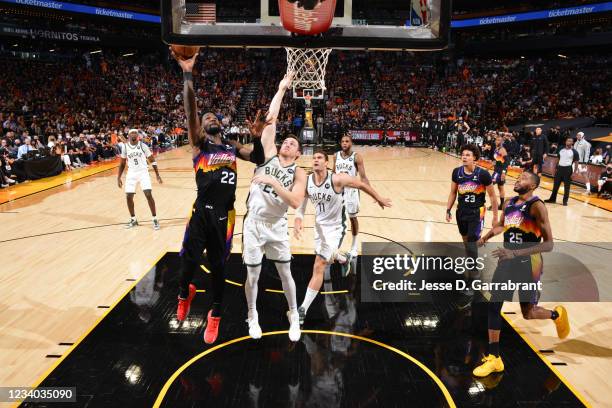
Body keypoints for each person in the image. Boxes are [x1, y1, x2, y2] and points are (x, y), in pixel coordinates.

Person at [171, 48, 267, 345]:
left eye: (213, 116)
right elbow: (190, 110)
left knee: (219, 268)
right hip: (201, 210)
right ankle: (184, 292)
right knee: (187, 261)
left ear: (220, 124)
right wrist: (188, 72)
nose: (209, 118)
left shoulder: (231, 147)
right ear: (201, 126)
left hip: (225, 214)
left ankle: (214, 315)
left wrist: (259, 135)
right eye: (205, 116)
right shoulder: (199, 144)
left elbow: (259, 158)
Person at [473, 171, 569, 377]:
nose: (518, 179)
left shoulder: (537, 206)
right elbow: (501, 226)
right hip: (507, 262)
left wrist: (515, 252)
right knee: (493, 305)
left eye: (524, 178)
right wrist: (486, 237)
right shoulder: (509, 202)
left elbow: (549, 244)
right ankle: (495, 358)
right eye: (518, 178)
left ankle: (556, 315)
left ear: (533, 186)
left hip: (529, 264)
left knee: (529, 313)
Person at [239, 73, 305, 342]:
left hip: (276, 226)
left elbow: (296, 201)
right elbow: (271, 118)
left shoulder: (300, 172)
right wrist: (281, 88)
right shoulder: (267, 155)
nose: (287, 142)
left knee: (284, 272)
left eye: (293, 143)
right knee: (252, 274)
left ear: (299, 153)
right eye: (286, 141)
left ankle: (293, 314)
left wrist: (273, 182)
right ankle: (252, 315)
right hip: (254, 223)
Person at [294, 149, 392, 324]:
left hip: (336, 228)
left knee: (320, 264)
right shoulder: (308, 181)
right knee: (328, 259)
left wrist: (378, 198)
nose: (315, 160)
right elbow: (302, 202)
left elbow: (361, 184)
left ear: (326, 163)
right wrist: (298, 219)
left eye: (319, 158)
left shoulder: (337, 179)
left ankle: (302, 309)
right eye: (314, 158)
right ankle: (344, 258)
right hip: (320, 229)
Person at [446, 144, 498, 307]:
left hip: (477, 213)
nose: (464, 157)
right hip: (461, 212)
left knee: (471, 247)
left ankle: (472, 280)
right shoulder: (457, 172)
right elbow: (453, 192)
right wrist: (448, 209)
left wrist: (495, 218)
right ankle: (473, 267)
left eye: (468, 154)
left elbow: (493, 197)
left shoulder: (483, 174)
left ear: (475, 157)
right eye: (463, 154)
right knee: (467, 244)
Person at [332, 134, 369, 259]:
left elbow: (363, 177)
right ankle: (334, 247)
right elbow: (333, 173)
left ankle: (353, 247)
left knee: (352, 218)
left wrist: (373, 194)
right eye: (342, 141)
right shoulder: (335, 156)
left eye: (347, 141)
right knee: (336, 220)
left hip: (352, 191)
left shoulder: (356, 157)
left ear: (351, 143)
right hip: (338, 191)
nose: (344, 143)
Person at [117, 129, 163, 229]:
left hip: (143, 172)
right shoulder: (125, 147)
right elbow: (122, 163)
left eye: (135, 133)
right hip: (131, 173)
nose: (134, 134)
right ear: (128, 136)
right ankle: (133, 220)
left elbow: (152, 160)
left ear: (138, 135)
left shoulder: (143, 146)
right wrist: (118, 177)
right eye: (132, 133)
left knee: (148, 194)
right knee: (129, 196)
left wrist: (157, 175)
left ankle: (155, 219)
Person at [545, 137, 579, 206]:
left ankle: (565, 201)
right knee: (555, 186)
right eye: (567, 140)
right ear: (565, 142)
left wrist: (574, 173)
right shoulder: (561, 149)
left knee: (567, 187)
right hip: (559, 169)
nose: (568, 142)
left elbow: (576, 163)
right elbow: (557, 159)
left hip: (568, 169)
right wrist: (555, 168)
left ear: (572, 143)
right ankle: (552, 199)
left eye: (570, 141)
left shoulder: (575, 152)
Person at [490, 135, 508, 210]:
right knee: (500, 187)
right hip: (497, 170)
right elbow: (498, 159)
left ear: (501, 142)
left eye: (499, 140)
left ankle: (495, 204)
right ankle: (501, 205)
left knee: (489, 185)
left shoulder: (502, 150)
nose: (497, 141)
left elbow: (506, 162)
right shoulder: (496, 149)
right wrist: (494, 162)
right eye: (496, 140)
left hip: (499, 172)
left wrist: (503, 172)